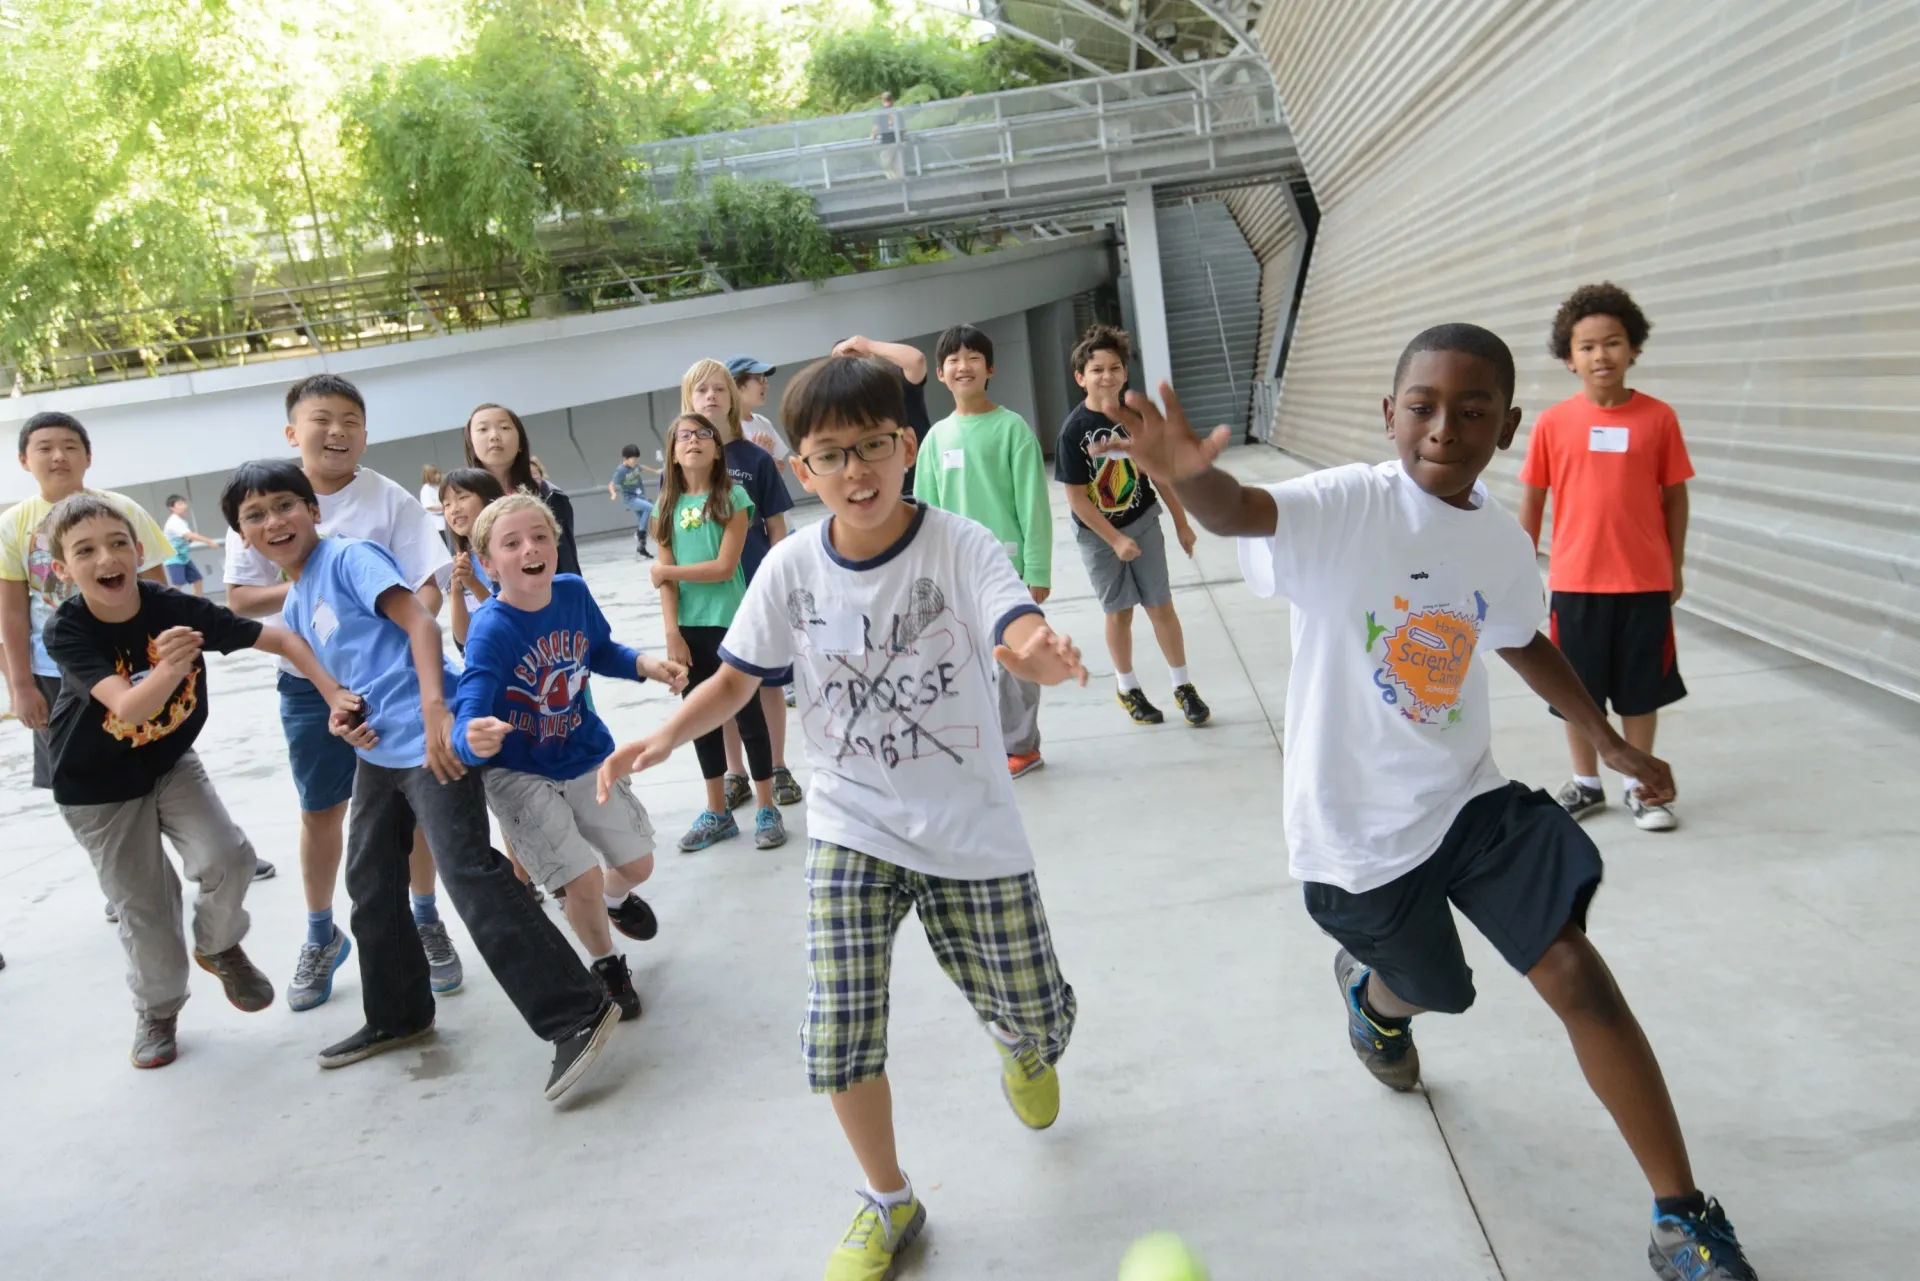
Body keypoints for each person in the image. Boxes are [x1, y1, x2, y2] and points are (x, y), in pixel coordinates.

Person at [1103, 325, 1757, 1281]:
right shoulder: (1348, 505)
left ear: (1507, 427)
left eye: (1473, 410)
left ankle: (1680, 1214)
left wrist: (1610, 739)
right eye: (1423, 406)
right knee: (1438, 988)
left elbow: (1521, 636)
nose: (1445, 427)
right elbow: (1244, 509)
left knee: (1577, 974)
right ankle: (1373, 998)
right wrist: (1188, 478)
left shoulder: (1495, 537)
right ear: (1390, 414)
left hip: (1469, 800)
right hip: (1355, 835)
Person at [599, 355, 1088, 1281]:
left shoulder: (960, 545)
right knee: (838, 1028)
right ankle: (890, 1198)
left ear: (906, 446)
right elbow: (736, 679)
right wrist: (663, 735)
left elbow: (1012, 625)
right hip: (852, 825)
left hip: (971, 829)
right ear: (804, 469)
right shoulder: (789, 568)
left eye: (872, 447)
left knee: (1038, 1013)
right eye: (831, 455)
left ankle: (1020, 1041)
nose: (856, 471)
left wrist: (1039, 653)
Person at [223, 459, 621, 1099]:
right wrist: (344, 716)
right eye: (255, 516)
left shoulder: (349, 558)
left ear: (314, 511)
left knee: (467, 870)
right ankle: (398, 1014)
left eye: (285, 505)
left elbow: (418, 621)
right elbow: (357, 673)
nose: (274, 521)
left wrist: (438, 709)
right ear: (243, 537)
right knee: (371, 878)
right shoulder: (298, 599)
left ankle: (577, 1010)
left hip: (431, 740)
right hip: (382, 752)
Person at [42, 494, 355, 1068]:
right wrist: (170, 667)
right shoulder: (69, 629)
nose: (106, 558)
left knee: (229, 857)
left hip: (168, 761)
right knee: (146, 908)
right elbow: (129, 707)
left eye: (117, 543)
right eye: (84, 551)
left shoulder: (172, 608)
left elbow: (281, 639)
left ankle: (219, 945)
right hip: (96, 787)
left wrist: (332, 690)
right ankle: (158, 1011)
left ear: (139, 551)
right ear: (63, 569)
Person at [222, 374, 457, 1011]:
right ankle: (321, 933)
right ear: (292, 432)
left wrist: (392, 639)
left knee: (414, 806)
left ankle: (426, 918)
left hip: (393, 686)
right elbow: (240, 598)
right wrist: (317, 576)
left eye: (351, 420)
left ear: (365, 433)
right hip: (309, 688)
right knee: (321, 809)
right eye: (321, 419)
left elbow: (426, 586)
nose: (337, 431)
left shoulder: (389, 499)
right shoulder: (263, 499)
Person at [451, 493, 689, 1020]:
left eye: (540, 536)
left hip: (583, 753)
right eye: (512, 543)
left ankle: (612, 902)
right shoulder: (491, 628)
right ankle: (606, 963)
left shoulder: (573, 592)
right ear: (488, 564)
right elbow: (470, 706)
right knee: (579, 878)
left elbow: (598, 649)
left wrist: (645, 664)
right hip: (519, 772)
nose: (530, 549)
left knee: (638, 864)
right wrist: (471, 737)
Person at [1517, 283, 1693, 832]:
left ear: (1633, 348)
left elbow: (1675, 497)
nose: (1601, 355)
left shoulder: (1659, 418)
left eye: (1612, 342)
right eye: (1587, 346)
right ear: (1569, 358)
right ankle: (1586, 782)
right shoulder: (1553, 423)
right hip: (1576, 582)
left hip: (1643, 583)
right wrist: (1520, 569)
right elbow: (1533, 499)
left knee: (1641, 691)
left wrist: (1675, 566)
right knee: (1578, 692)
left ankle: (1643, 788)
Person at [1053, 325, 1210, 728]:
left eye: (1114, 368)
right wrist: (1114, 539)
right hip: (1098, 536)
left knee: (1161, 605)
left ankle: (1183, 686)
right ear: (1080, 377)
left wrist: (1181, 523)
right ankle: (1128, 688)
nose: (1106, 376)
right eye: (1096, 370)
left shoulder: (1136, 419)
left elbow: (1160, 474)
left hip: (1142, 521)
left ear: (1124, 373)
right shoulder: (1073, 431)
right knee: (1120, 612)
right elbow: (1077, 498)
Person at [913, 324, 1053, 776]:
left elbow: (1033, 505)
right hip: (954, 572)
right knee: (963, 662)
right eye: (953, 359)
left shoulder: (1012, 429)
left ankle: (1021, 746)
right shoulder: (936, 439)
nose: (964, 366)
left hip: (1008, 569)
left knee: (1016, 659)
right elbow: (925, 512)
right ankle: (978, 743)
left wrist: (1037, 570)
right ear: (940, 373)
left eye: (973, 357)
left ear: (990, 368)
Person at [650, 412, 783, 851]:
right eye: (684, 436)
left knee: (749, 716)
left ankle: (767, 808)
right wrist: (672, 632)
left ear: (717, 448)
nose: (694, 441)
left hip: (733, 624)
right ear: (673, 453)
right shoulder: (664, 507)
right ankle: (717, 812)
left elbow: (725, 567)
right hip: (689, 630)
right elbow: (666, 584)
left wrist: (667, 570)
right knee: (700, 720)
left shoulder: (733, 497)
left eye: (703, 434)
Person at [683, 359, 804, 810]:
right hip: (709, 598)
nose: (711, 397)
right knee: (723, 681)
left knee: (767, 681)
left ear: (733, 398)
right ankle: (736, 772)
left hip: (756, 589)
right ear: (688, 400)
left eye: (719, 389)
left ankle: (777, 764)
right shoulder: (684, 464)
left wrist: (777, 583)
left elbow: (777, 528)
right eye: (701, 390)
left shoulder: (755, 458)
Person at [463, 404, 582, 577]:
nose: (494, 436)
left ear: (520, 441)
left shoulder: (548, 495)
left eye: (504, 427)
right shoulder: (460, 502)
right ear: (471, 444)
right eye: (483, 429)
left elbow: (566, 565)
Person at [831, 336, 930, 495]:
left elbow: (916, 360)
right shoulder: (840, 406)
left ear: (869, 357)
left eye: (854, 357)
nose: (849, 366)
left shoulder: (893, 383)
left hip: (924, 482)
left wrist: (869, 345)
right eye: (840, 361)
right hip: (882, 490)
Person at [439, 468, 506, 652]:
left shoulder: (509, 554)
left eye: (462, 497)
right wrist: (456, 589)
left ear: (490, 500)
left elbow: (509, 619)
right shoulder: (461, 561)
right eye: (446, 504)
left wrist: (473, 583)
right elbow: (463, 638)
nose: (454, 509)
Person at [725, 354, 791, 462]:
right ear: (736, 385)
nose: (766, 385)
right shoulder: (724, 428)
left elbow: (779, 465)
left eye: (765, 379)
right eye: (760, 379)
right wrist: (760, 455)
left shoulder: (763, 421)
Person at [607, 444, 662, 558]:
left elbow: (642, 467)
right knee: (650, 508)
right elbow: (611, 484)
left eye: (636, 459)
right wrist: (613, 493)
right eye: (633, 459)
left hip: (640, 497)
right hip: (630, 499)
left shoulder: (635, 466)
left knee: (644, 522)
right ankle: (639, 533)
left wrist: (655, 472)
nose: (635, 462)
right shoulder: (621, 471)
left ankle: (641, 549)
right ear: (625, 459)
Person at [161, 495, 221, 598]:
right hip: (174, 558)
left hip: (184, 558)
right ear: (172, 507)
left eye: (184, 503)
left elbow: (187, 538)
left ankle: (198, 603)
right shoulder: (174, 522)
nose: (184, 506)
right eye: (180, 504)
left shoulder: (181, 521)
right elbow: (190, 535)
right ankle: (169, 605)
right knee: (177, 584)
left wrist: (189, 540)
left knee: (197, 580)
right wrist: (209, 541)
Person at [872, 90, 903, 181]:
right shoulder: (897, 112)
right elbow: (903, 129)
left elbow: (876, 127)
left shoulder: (880, 113)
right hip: (898, 142)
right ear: (892, 100)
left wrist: (872, 136)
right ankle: (901, 184)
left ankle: (893, 183)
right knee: (898, 166)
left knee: (886, 166)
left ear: (882, 100)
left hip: (887, 143)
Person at [418, 464, 447, 548]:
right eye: (435, 474)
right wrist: (444, 507)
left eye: (438, 473)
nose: (438, 475)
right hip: (437, 523)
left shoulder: (439, 486)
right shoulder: (426, 489)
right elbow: (428, 506)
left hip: (445, 520)